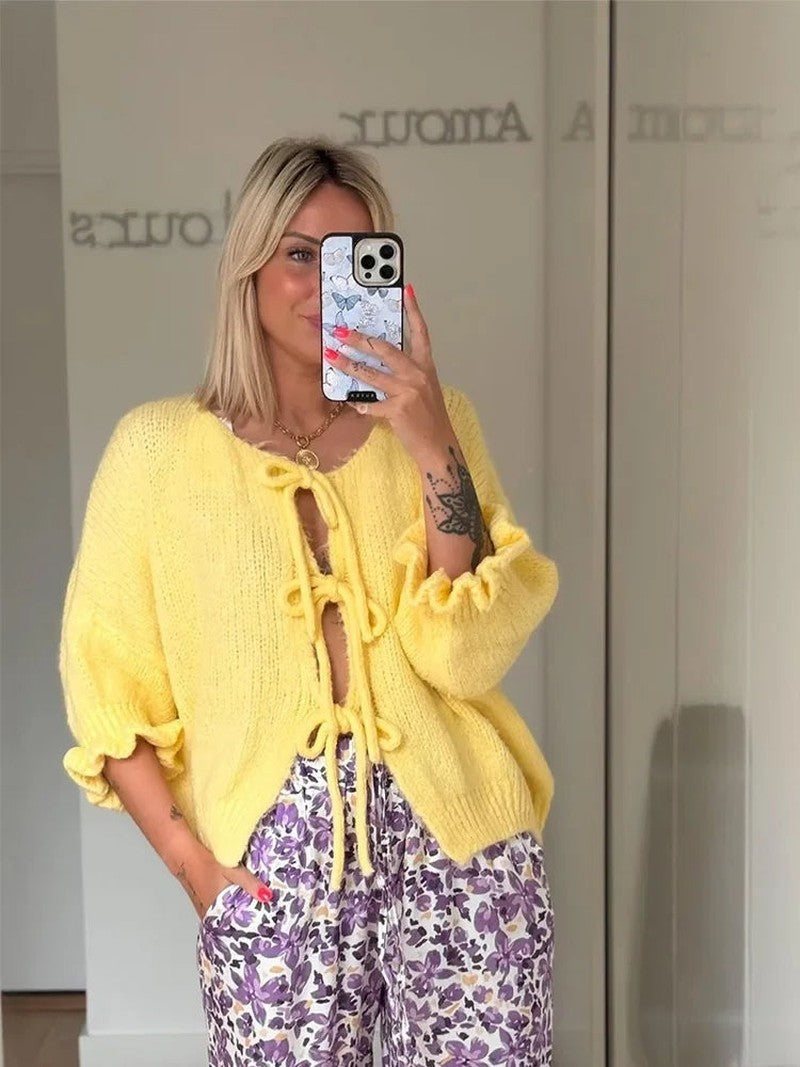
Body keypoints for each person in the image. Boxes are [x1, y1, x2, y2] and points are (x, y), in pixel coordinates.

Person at [58, 136, 560, 1065]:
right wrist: (193, 868)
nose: (326, 285)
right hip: (275, 874)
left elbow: (465, 655)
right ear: (248, 268)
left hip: (461, 852)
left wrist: (431, 443)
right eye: (299, 254)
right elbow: (107, 687)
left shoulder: (441, 423)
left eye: (352, 258)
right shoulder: (156, 451)